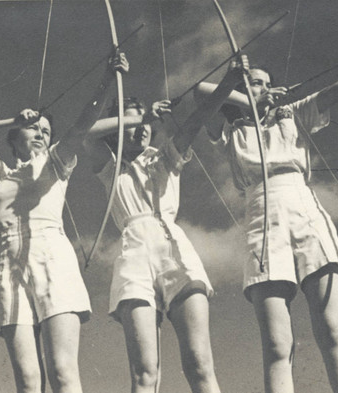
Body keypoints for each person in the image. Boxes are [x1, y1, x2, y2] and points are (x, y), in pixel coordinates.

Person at [194, 32, 338, 393]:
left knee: (331, 331)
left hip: (303, 211)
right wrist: (242, 87)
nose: (266, 87)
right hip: (261, 220)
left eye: (268, 83)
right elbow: (202, 93)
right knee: (277, 344)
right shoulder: (228, 129)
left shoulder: (294, 115)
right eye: (257, 82)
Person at [0, 51, 129, 393]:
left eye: (46, 131)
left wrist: (108, 78)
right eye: (33, 129)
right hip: (10, 269)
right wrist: (12, 121)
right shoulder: (0, 173)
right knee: (29, 383)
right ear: (15, 138)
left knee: (62, 372)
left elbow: (83, 123)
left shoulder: (57, 162)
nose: (41, 134)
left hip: (53, 260)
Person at [83, 55, 250, 393]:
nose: (143, 128)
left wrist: (230, 82)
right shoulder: (109, 165)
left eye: (146, 123)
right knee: (145, 375)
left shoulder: (165, 157)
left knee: (200, 365)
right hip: (133, 255)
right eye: (132, 123)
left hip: (175, 249)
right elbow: (85, 134)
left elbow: (198, 117)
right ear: (117, 126)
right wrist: (136, 114)